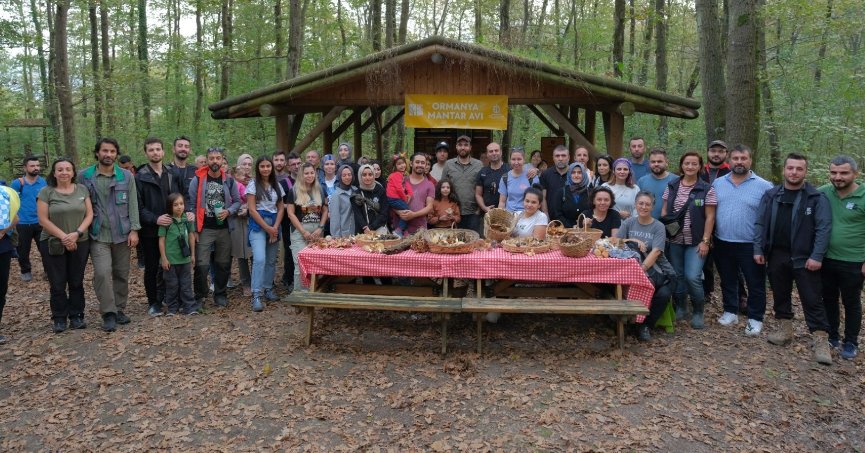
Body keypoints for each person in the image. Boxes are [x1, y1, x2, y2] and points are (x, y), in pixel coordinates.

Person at [755, 153, 832, 365]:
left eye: (799, 169)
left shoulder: (815, 198)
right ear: (784, 170)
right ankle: (785, 329)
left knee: (812, 298)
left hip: (805, 257)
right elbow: (760, 223)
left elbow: (824, 229)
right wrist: (758, 248)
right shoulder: (771, 195)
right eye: (790, 168)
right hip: (776, 253)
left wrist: (817, 256)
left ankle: (820, 339)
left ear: (805, 171)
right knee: (780, 294)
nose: (794, 172)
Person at [81, 138, 141, 332]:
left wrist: (134, 229)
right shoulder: (85, 176)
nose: (108, 155)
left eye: (112, 151)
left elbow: (133, 202)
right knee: (102, 273)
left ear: (116, 154)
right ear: (97, 153)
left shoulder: (126, 176)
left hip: (122, 233)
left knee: (121, 273)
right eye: (104, 151)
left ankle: (120, 309)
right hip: (98, 234)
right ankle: (108, 312)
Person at [712, 144, 773, 332]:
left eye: (743, 158)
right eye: (736, 158)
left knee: (755, 282)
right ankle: (730, 310)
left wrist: (763, 246)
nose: (739, 162)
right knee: (728, 279)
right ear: (729, 160)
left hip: (750, 244)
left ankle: (755, 317)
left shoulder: (764, 186)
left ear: (750, 160)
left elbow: (769, 219)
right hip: (723, 241)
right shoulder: (718, 183)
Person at [661, 152, 716, 329]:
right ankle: (682, 307)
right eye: (687, 163)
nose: (690, 167)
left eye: (694, 164)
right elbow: (664, 212)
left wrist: (705, 241)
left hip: (696, 241)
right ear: (681, 165)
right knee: (677, 275)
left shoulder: (706, 189)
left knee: (693, 276)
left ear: (700, 166)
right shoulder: (672, 185)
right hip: (675, 240)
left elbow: (710, 218)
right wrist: (669, 231)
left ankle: (698, 310)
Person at [38, 158, 93, 333]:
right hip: (53, 242)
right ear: (54, 173)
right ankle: (59, 318)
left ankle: (77, 315)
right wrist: (64, 237)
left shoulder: (82, 190)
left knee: (76, 280)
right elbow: (43, 219)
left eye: (68, 169)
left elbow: (89, 215)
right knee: (57, 282)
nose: (64, 173)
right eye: (60, 170)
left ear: (73, 172)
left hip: (80, 241)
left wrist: (76, 234)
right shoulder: (46, 192)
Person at [819, 155, 865, 360]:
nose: (838, 177)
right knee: (828, 298)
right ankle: (832, 336)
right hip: (826, 258)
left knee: (851, 301)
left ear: (856, 173)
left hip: (854, 261)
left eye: (843, 173)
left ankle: (851, 342)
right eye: (834, 173)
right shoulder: (823, 193)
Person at [616, 191, 676, 341]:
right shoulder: (629, 222)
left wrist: (641, 270)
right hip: (634, 269)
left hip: (660, 272)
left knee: (662, 295)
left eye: (647, 204)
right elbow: (616, 242)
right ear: (635, 205)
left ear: (652, 207)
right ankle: (627, 321)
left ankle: (645, 325)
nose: (643, 207)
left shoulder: (658, 226)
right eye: (640, 203)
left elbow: (656, 252)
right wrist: (634, 240)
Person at [136, 137, 184, 317]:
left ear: (164, 152)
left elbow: (181, 197)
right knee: (152, 266)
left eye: (158, 149)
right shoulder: (140, 177)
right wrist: (155, 219)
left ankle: (171, 297)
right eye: (151, 150)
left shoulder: (173, 174)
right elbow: (138, 207)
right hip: (150, 230)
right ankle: (153, 302)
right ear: (146, 153)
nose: (155, 152)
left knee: (173, 263)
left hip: (173, 229)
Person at [188, 147, 242, 308]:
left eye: (218, 158)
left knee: (223, 263)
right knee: (202, 264)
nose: (215, 161)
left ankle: (220, 294)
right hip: (204, 228)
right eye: (211, 158)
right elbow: (191, 205)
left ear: (222, 160)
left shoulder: (229, 180)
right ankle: (200, 296)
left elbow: (238, 201)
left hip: (224, 228)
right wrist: (194, 230)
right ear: (207, 160)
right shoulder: (197, 180)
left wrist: (229, 211)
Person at [246, 156, 285, 312]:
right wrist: (267, 228)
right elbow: (252, 209)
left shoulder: (277, 185)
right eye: (262, 166)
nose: (265, 169)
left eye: (268, 166)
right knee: (260, 258)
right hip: (258, 225)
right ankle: (256, 293)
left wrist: (274, 227)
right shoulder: (253, 185)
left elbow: (281, 207)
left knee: (270, 260)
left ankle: (268, 288)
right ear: (258, 168)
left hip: (274, 223)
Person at [286, 163, 329, 292]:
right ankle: (299, 294)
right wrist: (303, 231)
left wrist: (321, 228)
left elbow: (325, 210)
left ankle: (314, 292)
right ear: (301, 175)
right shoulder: (293, 191)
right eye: (306, 173)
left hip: (317, 231)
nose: (309, 175)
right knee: (299, 264)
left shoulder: (320, 189)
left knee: (316, 263)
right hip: (299, 232)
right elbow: (290, 213)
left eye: (312, 173)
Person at [699, 139, 732, 304]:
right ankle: (706, 291)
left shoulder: (731, 172)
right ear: (708, 153)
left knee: (727, 262)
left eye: (720, 151)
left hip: (724, 222)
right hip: (701, 220)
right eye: (713, 151)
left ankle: (738, 297)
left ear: (726, 154)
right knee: (704, 259)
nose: (716, 154)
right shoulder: (699, 171)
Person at [158, 193, 196, 315]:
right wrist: (164, 258)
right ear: (170, 207)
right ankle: (172, 308)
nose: (179, 207)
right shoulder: (166, 222)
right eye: (175, 205)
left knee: (186, 284)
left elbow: (191, 236)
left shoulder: (187, 220)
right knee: (171, 284)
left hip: (184, 259)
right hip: (170, 261)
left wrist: (193, 254)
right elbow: (161, 240)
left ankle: (189, 307)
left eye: (181, 204)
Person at [11, 156, 47, 282]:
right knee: (23, 250)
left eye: (37, 165)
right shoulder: (17, 183)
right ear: (25, 167)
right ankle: (25, 271)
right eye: (32, 166)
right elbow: (11, 201)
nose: (36, 168)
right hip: (22, 222)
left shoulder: (44, 182)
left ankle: (48, 271)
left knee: (45, 249)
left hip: (40, 222)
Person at [441, 135, 483, 232]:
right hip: (454, 212)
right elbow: (443, 188)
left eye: (466, 145)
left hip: (473, 212)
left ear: (470, 147)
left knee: (473, 242)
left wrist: (479, 209)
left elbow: (482, 187)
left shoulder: (478, 164)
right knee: (456, 243)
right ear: (456, 147)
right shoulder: (448, 164)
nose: (463, 147)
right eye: (460, 145)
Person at [230, 154, 253, 296]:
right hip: (237, 221)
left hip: (253, 220)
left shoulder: (255, 181)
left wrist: (248, 208)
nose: (247, 167)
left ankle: (257, 281)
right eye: (244, 164)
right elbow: (229, 200)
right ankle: (246, 283)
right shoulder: (232, 182)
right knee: (242, 253)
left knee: (255, 253)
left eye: (249, 164)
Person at [0, 184, 20, 344]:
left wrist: (2, 231)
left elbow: (15, 218)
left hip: (2, 248)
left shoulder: (4, 192)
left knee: (1, 289)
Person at [637, 148, 678, 219]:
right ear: (649, 163)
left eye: (659, 161)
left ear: (666, 162)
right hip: (646, 224)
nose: (656, 164)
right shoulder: (642, 181)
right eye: (653, 162)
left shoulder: (676, 180)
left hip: (670, 225)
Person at [400, 153, 436, 234]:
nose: (420, 165)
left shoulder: (430, 185)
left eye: (423, 163)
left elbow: (429, 207)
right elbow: (392, 200)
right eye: (417, 162)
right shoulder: (402, 181)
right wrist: (402, 214)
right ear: (411, 163)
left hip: (420, 230)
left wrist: (413, 215)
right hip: (400, 228)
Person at [476, 142, 509, 227]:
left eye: (496, 150)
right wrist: (484, 208)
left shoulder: (509, 170)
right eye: (491, 151)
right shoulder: (482, 172)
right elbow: (478, 194)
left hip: (506, 215)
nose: (494, 153)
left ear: (501, 152)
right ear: (487, 154)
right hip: (487, 215)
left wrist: (535, 170)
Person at [549, 162, 591, 228]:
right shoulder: (561, 192)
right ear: (569, 174)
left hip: (587, 231)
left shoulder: (590, 192)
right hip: (566, 231)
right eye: (573, 172)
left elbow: (594, 212)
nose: (576, 175)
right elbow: (556, 214)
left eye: (579, 172)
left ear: (584, 174)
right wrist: (571, 226)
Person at [498, 148, 539, 213]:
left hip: (527, 216)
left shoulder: (532, 177)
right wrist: (500, 217)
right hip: (509, 217)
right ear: (510, 160)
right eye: (513, 159)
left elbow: (537, 201)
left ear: (524, 160)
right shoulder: (505, 178)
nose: (516, 162)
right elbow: (502, 202)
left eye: (519, 159)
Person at [352, 164, 390, 234]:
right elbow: (358, 214)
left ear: (374, 176)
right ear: (360, 176)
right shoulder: (356, 194)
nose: (367, 177)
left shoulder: (381, 191)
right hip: (362, 232)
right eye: (364, 175)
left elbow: (384, 213)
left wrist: (371, 227)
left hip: (379, 230)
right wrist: (365, 227)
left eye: (370, 174)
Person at [539, 145, 571, 215]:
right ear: (553, 158)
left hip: (571, 219)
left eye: (563, 156)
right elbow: (543, 197)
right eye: (557, 156)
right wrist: (545, 214)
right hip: (551, 218)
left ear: (568, 157)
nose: (560, 158)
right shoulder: (546, 174)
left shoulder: (574, 174)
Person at [386, 155, 413, 236]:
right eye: (399, 164)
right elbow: (399, 189)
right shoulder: (396, 174)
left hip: (395, 198)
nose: (402, 165)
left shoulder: (403, 175)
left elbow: (407, 185)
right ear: (395, 166)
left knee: (405, 211)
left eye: (403, 163)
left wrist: (410, 193)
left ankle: (401, 230)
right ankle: (399, 230)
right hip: (393, 198)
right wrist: (405, 198)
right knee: (407, 211)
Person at [166, 136, 197, 203]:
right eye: (180, 146)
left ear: (190, 150)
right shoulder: (166, 170)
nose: (183, 149)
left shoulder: (195, 171)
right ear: (173, 149)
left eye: (186, 146)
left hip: (190, 211)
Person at [329, 165, 357, 237]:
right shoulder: (336, 195)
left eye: (349, 174)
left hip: (358, 234)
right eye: (344, 175)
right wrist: (336, 237)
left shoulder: (356, 191)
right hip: (344, 236)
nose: (347, 177)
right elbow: (334, 219)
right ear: (340, 177)